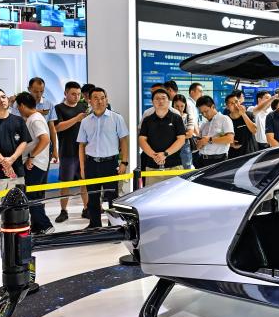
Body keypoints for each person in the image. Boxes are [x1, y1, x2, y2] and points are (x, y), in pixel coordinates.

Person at [0, 89, 31, 252]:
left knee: (19, 206)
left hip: (16, 172)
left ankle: (21, 236)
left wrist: (12, 160)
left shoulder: (18, 120)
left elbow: (24, 142)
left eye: (3, 97)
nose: (2, 100)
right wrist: (4, 162)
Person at [77, 87, 128, 229]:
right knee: (93, 197)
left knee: (113, 197)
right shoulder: (85, 121)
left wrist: (124, 162)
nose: (99, 101)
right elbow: (81, 145)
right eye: (96, 98)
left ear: (106, 99)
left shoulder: (116, 118)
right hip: (91, 164)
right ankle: (94, 225)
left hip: (110, 163)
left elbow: (124, 141)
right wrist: (82, 168)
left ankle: (114, 226)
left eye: (102, 98)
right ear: (89, 101)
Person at [16, 92, 54, 235]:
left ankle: (46, 225)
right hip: (38, 163)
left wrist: (31, 156)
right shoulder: (35, 117)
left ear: (22, 105)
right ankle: (38, 226)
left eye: (18, 106)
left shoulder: (35, 119)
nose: (18, 110)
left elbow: (45, 139)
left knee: (31, 197)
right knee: (35, 196)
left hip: (35, 164)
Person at [52, 82, 89, 222]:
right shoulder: (59, 108)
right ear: (65, 93)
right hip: (67, 150)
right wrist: (77, 119)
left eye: (78, 94)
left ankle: (86, 208)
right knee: (65, 183)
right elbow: (58, 127)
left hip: (84, 151)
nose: (76, 97)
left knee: (84, 181)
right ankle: (63, 210)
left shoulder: (83, 106)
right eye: (73, 94)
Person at [138, 89, 186, 175]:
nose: (160, 101)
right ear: (152, 102)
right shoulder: (147, 120)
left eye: (163, 98)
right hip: (152, 166)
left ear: (169, 101)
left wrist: (165, 154)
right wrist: (155, 156)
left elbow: (181, 139)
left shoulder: (176, 118)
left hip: (174, 166)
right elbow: (142, 140)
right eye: (157, 98)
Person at [195, 95, 234, 167]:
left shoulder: (224, 119)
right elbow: (198, 144)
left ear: (213, 106)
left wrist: (209, 139)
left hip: (218, 160)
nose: (204, 115)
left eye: (206, 111)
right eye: (201, 113)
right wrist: (199, 144)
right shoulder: (204, 124)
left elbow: (230, 139)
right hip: (201, 160)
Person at [226, 92, 259, 157]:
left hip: (251, 152)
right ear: (227, 107)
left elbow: (254, 130)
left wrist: (243, 114)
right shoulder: (226, 119)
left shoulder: (249, 114)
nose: (235, 105)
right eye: (232, 103)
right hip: (234, 154)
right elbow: (222, 136)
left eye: (236, 102)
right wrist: (230, 144)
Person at [172, 94, 196, 169]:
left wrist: (173, 136)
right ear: (173, 105)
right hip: (170, 147)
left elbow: (189, 134)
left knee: (186, 169)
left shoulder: (188, 117)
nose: (179, 109)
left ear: (185, 106)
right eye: (177, 106)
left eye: (182, 106)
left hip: (184, 148)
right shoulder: (168, 117)